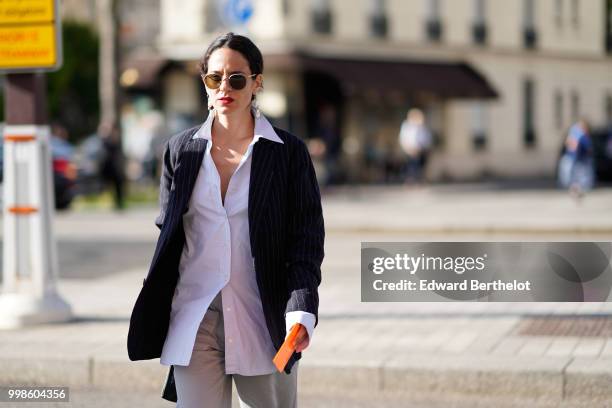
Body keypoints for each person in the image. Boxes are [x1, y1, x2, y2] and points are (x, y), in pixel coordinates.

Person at [127, 32, 325, 408]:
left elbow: (307, 240)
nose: (225, 87)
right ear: (205, 82)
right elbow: (168, 233)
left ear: (257, 82)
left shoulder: (288, 154)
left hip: (262, 316)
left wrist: (301, 308)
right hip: (195, 315)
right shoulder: (179, 150)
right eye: (214, 77)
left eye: (236, 78)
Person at [558, 119, 595, 199]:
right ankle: (576, 190)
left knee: (576, 177)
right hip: (579, 160)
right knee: (580, 177)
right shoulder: (581, 136)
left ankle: (576, 190)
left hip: (576, 159)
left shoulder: (576, 134)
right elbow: (587, 148)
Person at [398, 108, 432, 184]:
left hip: (421, 150)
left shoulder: (422, 127)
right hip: (410, 150)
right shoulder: (407, 126)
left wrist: (425, 147)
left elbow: (426, 138)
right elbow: (404, 138)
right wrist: (408, 148)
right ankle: (411, 179)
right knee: (412, 166)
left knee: (421, 165)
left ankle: (419, 179)